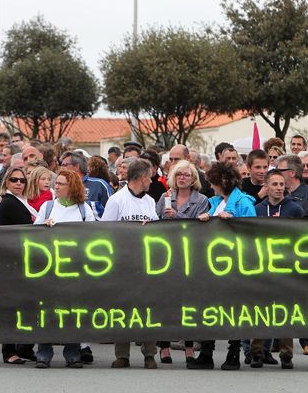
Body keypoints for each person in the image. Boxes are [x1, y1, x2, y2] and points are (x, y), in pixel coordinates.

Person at [190, 162, 256, 371]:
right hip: (212, 266)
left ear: (223, 182)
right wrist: (203, 219)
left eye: (214, 181)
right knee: (209, 307)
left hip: (235, 266)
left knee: (233, 310)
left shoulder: (244, 203)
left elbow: (253, 233)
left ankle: (233, 353)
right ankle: (206, 353)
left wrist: (234, 221)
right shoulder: (213, 202)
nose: (211, 185)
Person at [100, 159, 158, 369]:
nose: (151, 181)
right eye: (149, 177)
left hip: (146, 264)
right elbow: (105, 232)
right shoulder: (116, 200)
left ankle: (149, 353)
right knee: (122, 307)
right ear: (142, 178)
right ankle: (122, 354)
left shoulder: (150, 202)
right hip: (123, 263)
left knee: (148, 308)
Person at [34, 169, 94, 369]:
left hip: (75, 270)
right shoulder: (48, 206)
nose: (55, 186)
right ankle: (44, 352)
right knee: (47, 310)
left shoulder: (84, 210)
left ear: (72, 187)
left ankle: (73, 352)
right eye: (55, 183)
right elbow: (33, 233)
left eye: (60, 184)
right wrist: (44, 227)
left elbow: (94, 237)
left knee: (73, 311)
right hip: (49, 270)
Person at [155, 160, 208, 363]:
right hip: (166, 255)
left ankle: (188, 345)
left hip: (190, 255)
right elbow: (156, 221)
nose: (182, 178)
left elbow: (198, 225)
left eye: (186, 174)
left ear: (194, 178)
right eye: (179, 174)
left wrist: (178, 215)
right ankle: (165, 345)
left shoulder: (202, 200)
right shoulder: (165, 197)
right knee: (167, 301)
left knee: (189, 301)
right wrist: (164, 216)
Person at [249, 170, 304, 369]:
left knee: (285, 311)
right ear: (267, 186)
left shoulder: (295, 210)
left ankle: (286, 354)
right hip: (261, 269)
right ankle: (257, 353)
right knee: (261, 310)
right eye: (275, 184)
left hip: (286, 268)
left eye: (282, 184)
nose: (279, 188)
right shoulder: (257, 209)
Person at [0, 166, 38, 364]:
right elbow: (28, 229)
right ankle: (9, 351)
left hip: (23, 261)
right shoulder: (9, 203)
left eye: (22, 180)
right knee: (12, 307)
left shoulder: (22, 201)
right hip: (11, 262)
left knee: (26, 305)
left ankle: (24, 347)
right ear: (6, 182)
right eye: (14, 180)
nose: (19, 183)